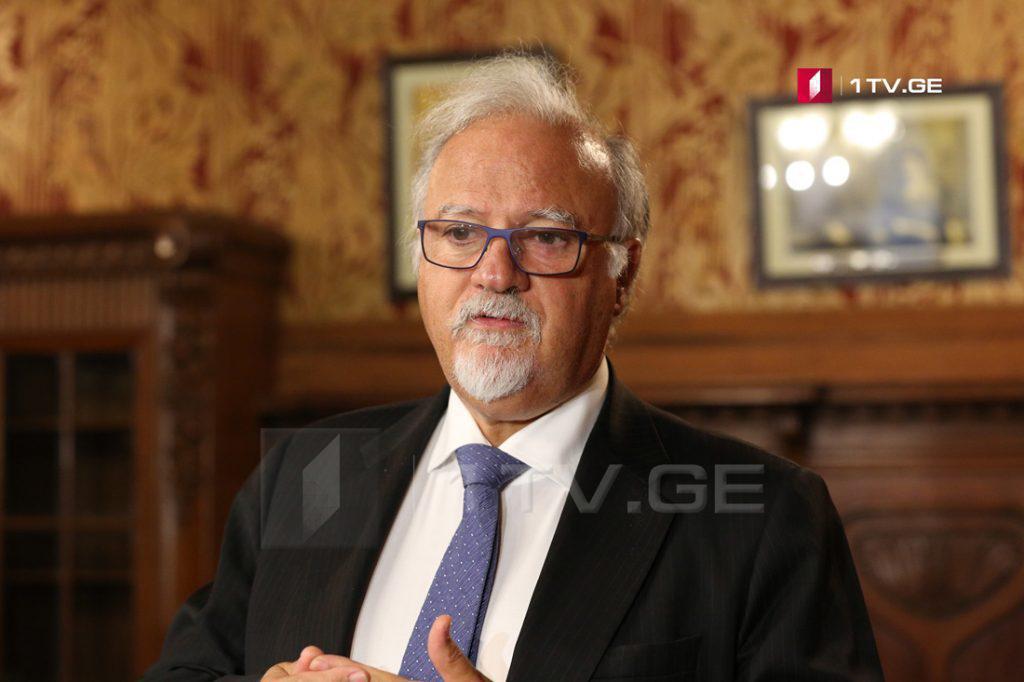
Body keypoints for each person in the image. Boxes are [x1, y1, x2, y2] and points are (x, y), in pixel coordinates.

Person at [143, 53, 883, 682]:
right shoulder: (309, 475)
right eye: (459, 232)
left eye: (547, 238)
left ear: (621, 273)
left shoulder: (760, 518)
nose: (495, 274)